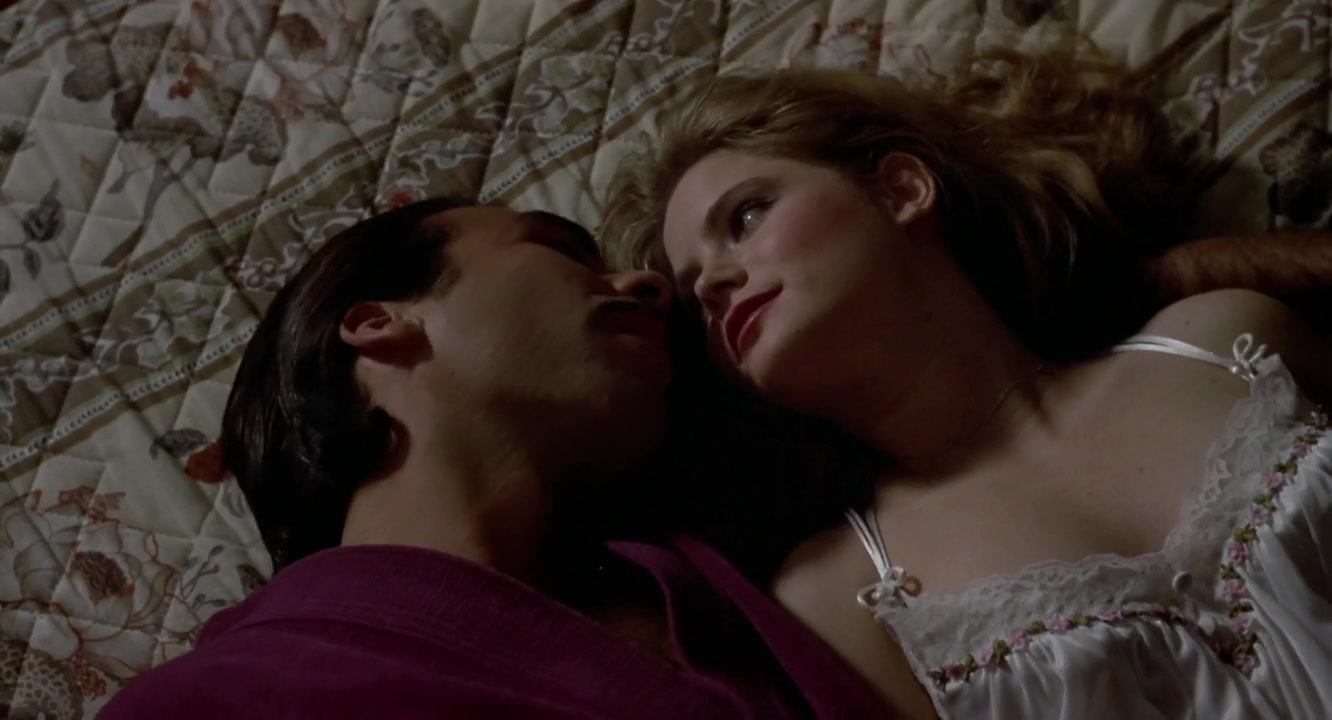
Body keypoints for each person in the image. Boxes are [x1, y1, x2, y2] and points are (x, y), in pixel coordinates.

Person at [600, 48, 1332, 719]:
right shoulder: (837, 596)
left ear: (903, 190)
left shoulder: (1225, 339)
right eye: (695, 294)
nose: (717, 281)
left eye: (747, 214)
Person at [99, 198, 887, 718]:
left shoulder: (723, 595)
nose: (648, 284)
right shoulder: (211, 704)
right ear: (379, 324)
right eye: (560, 249)